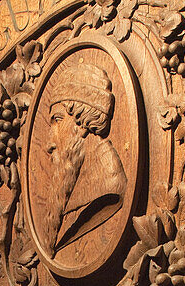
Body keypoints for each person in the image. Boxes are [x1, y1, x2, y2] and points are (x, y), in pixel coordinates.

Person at [39, 63, 126, 259]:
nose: (49, 144)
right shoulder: (73, 189)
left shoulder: (108, 189)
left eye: (58, 120)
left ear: (83, 121)